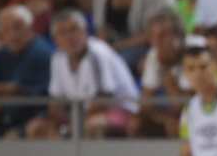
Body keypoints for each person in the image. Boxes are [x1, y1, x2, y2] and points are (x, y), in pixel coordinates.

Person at [29, 9, 140, 139]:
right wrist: (61, 123)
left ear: (85, 31)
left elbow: (102, 100)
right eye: (63, 33)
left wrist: (72, 126)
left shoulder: (98, 53)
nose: (70, 37)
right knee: (36, 128)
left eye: (74, 30)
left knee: (91, 126)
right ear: (55, 40)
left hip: (120, 110)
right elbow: (55, 102)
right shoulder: (57, 58)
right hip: (78, 114)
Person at [0, 6, 52, 136]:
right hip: (3, 120)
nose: (13, 34)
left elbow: (15, 89)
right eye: (6, 29)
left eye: (18, 27)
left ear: (30, 27)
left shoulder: (41, 53)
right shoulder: (3, 54)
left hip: (35, 120)